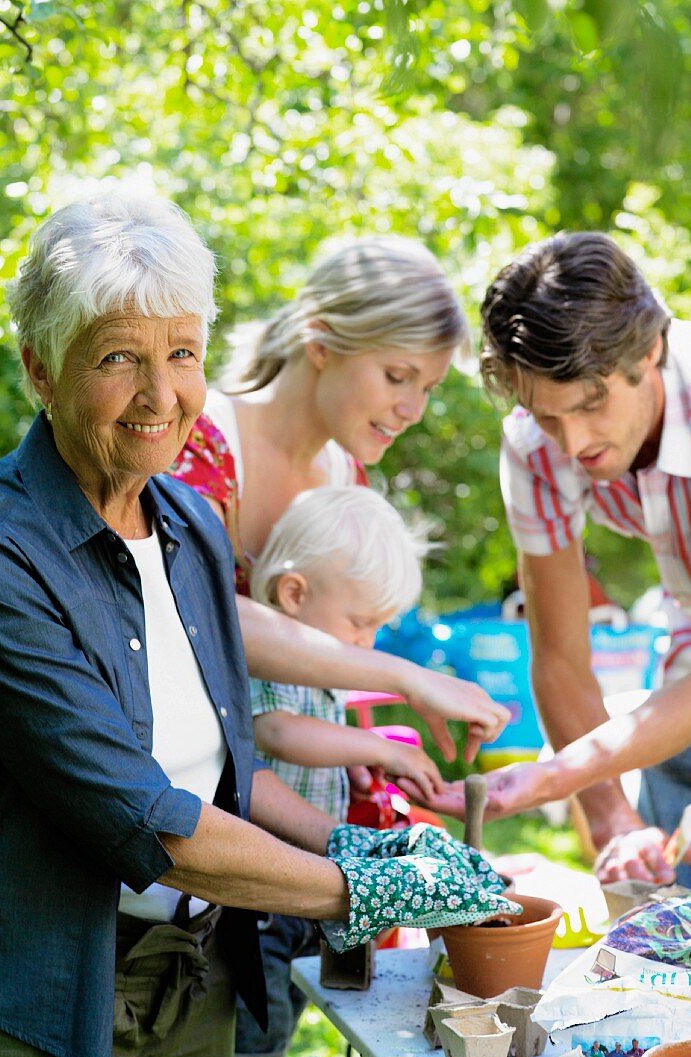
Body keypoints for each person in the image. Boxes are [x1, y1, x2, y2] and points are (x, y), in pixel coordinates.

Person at [0, 190, 520, 1057]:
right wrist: (353, 891)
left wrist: (354, 845)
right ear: (41, 371)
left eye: (182, 355)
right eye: (119, 358)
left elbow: (224, 768)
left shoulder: (187, 523)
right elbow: (146, 821)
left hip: (195, 971)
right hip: (47, 982)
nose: (162, 395)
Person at [427, 231, 691, 888]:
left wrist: (553, 773)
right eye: (547, 415)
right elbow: (558, 657)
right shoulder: (534, 445)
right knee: (670, 936)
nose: (573, 441)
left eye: (590, 404)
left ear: (650, 348)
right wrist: (611, 816)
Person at [169, 233, 512, 768]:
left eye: (428, 388)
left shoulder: (344, 478)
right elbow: (200, 612)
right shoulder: (203, 442)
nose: (413, 410)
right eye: (398, 377)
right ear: (323, 342)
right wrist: (405, 678)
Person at [232, 484, 445, 1057]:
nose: (368, 646)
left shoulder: (320, 670)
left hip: (306, 887)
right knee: (258, 1022)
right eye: (360, 624)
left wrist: (350, 764)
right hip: (260, 897)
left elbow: (317, 735)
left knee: (291, 1005)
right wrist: (377, 748)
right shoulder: (264, 659)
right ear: (294, 594)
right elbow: (276, 730)